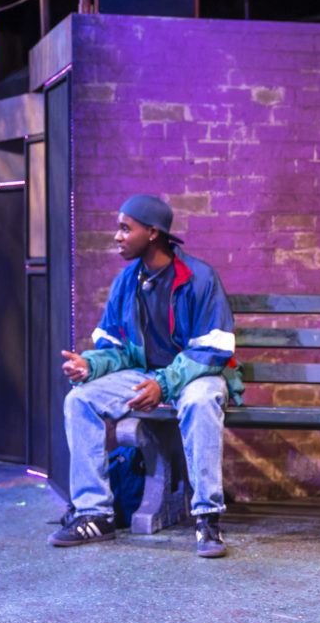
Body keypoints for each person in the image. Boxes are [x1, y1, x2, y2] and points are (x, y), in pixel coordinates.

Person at [47, 194, 240, 558]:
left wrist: (164, 384)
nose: (117, 236)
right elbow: (116, 348)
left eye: (125, 228)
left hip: (195, 373)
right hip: (144, 374)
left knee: (201, 401)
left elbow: (212, 350)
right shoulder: (126, 282)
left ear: (153, 233)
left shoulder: (199, 277)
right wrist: (91, 365)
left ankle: (207, 518)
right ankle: (95, 513)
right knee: (80, 399)